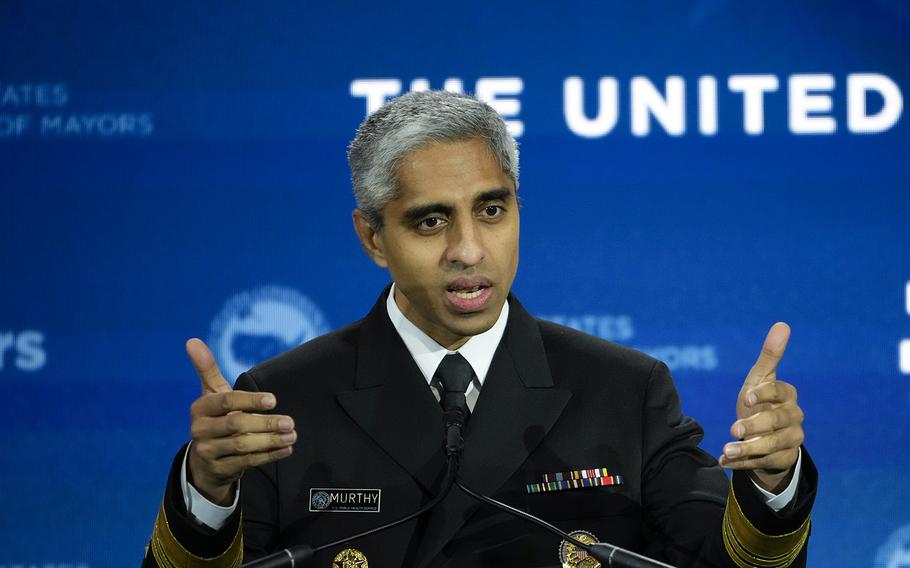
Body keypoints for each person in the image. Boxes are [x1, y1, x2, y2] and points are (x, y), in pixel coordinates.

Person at [142, 91, 815, 568]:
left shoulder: (624, 389)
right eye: (430, 221)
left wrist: (773, 483)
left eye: (491, 211)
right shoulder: (282, 400)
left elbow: (723, 558)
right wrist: (207, 487)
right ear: (373, 237)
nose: (469, 249)